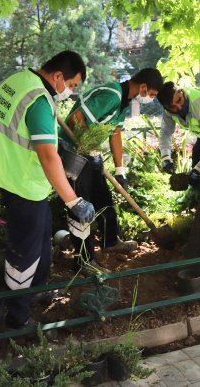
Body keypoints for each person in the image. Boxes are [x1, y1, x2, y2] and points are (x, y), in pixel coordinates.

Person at [0, 50, 95, 329]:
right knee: (25, 254)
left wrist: (63, 148)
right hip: (24, 186)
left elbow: (29, 134)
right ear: (57, 76)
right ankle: (18, 317)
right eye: (71, 85)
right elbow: (47, 155)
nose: (70, 92)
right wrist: (73, 201)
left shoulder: (17, 81)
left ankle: (37, 289)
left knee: (43, 238)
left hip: (13, 176)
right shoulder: (39, 100)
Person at [60, 68, 163, 274]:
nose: (150, 99)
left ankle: (110, 242)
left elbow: (115, 133)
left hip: (90, 153)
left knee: (104, 199)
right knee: (81, 205)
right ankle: (83, 260)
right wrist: (86, 144)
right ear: (143, 87)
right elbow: (76, 118)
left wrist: (120, 169)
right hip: (74, 152)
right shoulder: (112, 95)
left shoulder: (124, 102)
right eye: (151, 94)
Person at [156, 82, 200, 188]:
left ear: (182, 92)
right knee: (196, 161)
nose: (178, 108)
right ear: (166, 107)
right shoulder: (168, 111)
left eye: (179, 100)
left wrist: (199, 169)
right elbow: (165, 133)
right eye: (172, 107)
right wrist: (165, 157)